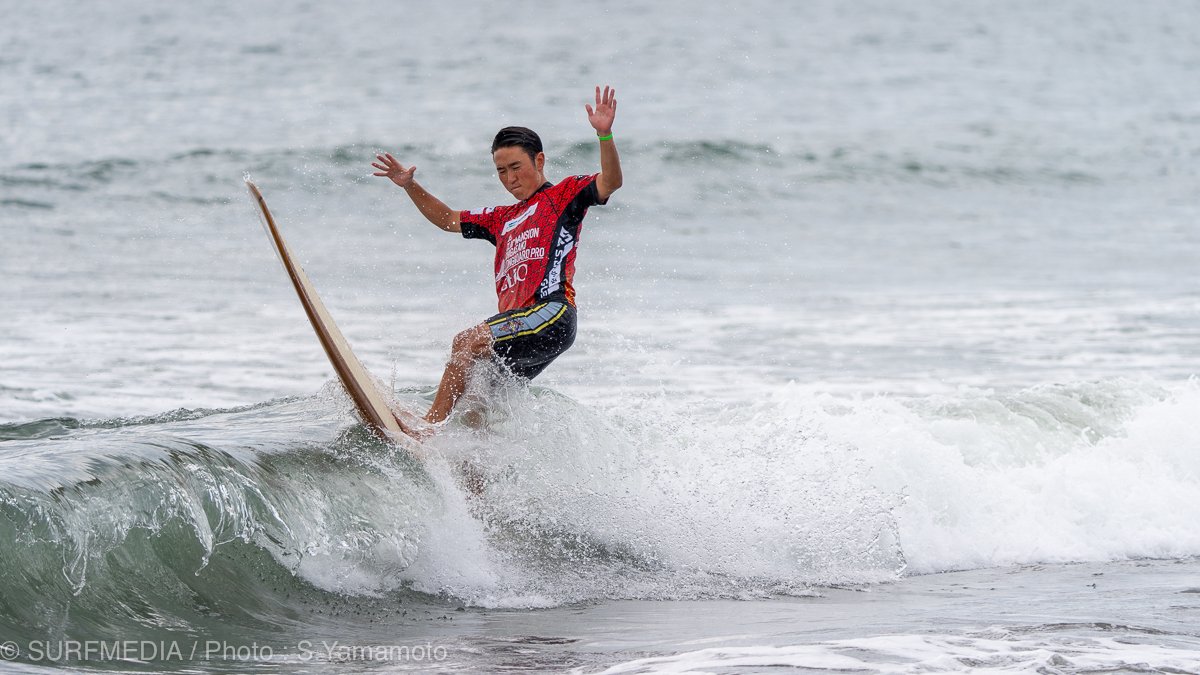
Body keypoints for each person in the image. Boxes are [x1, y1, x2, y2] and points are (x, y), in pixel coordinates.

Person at [372, 85, 623, 438]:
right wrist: (409, 186)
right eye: (501, 171)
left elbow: (611, 181)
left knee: (467, 341)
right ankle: (474, 484)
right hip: (519, 327)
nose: (509, 179)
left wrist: (604, 134)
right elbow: (447, 219)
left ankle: (427, 428)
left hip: (551, 313)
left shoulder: (563, 196)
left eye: (516, 167)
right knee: (478, 411)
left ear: (539, 161)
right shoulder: (500, 218)